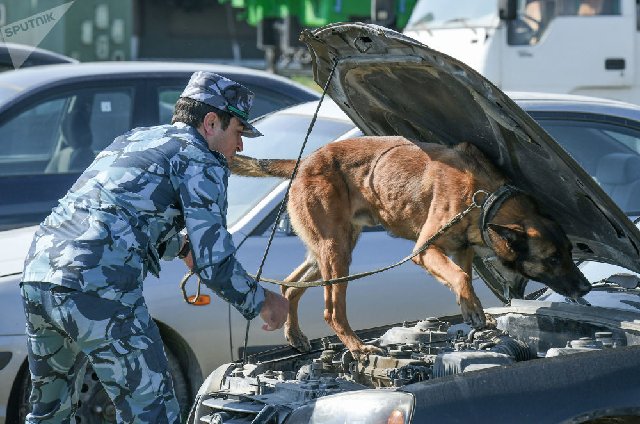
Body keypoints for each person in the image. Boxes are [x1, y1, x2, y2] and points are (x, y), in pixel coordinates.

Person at [20, 71, 289, 423]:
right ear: (211, 122)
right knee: (152, 413)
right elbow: (214, 264)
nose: (240, 147)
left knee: (49, 414)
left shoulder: (135, 139)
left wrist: (179, 248)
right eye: (239, 131)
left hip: (39, 278)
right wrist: (262, 303)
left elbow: (116, 215)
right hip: (98, 288)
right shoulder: (201, 159)